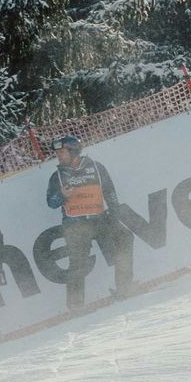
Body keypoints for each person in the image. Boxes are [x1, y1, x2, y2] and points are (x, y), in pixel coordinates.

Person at [41, 132, 133, 312]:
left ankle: (124, 288)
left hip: (99, 219)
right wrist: (62, 195)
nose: (58, 157)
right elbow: (51, 203)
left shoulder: (96, 168)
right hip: (75, 226)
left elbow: (110, 193)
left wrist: (114, 216)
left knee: (125, 238)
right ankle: (75, 307)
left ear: (74, 152)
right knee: (78, 264)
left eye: (62, 153)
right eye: (58, 154)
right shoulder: (57, 176)